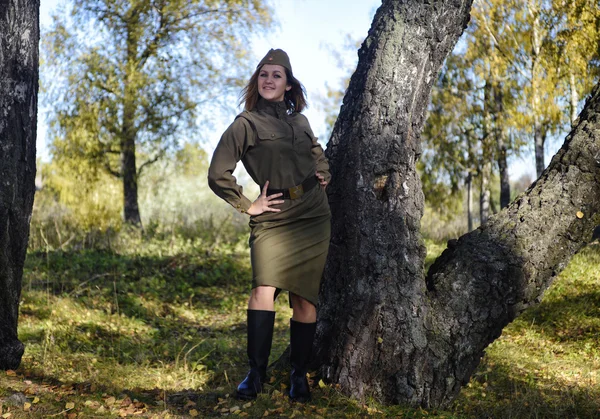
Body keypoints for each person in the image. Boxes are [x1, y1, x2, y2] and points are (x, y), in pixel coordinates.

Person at [207, 48, 331, 403]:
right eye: (263, 74)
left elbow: (316, 152)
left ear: (288, 85)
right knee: (263, 290)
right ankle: (256, 373)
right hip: (272, 218)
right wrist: (248, 205)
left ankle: (298, 376)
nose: (269, 80)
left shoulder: (300, 122)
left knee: (304, 299)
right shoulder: (245, 124)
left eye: (277, 75)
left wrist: (323, 172)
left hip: (312, 214)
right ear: (256, 81)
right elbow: (218, 174)